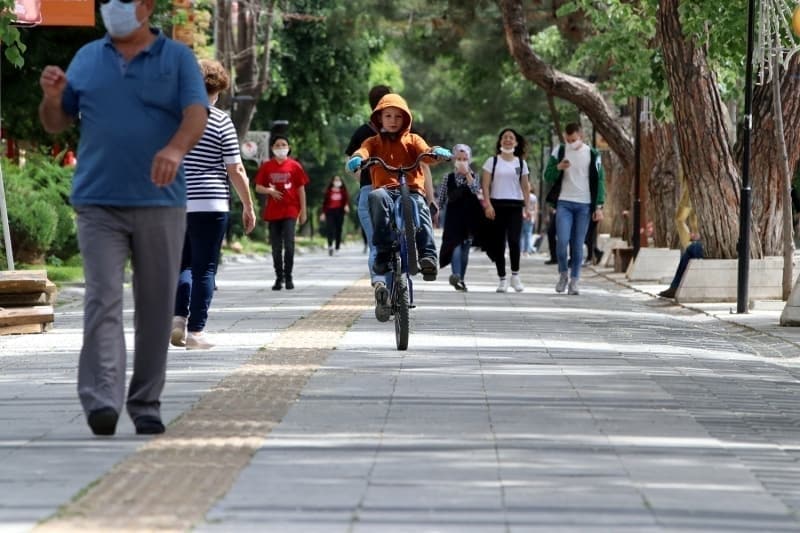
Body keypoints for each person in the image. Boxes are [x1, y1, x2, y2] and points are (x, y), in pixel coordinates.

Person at [38, 0, 208, 436]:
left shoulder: (177, 58)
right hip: (98, 201)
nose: (112, 7)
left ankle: (146, 403)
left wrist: (175, 150)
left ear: (146, 6)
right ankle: (101, 400)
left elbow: (196, 114)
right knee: (102, 298)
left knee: (156, 306)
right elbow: (56, 123)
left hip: (160, 202)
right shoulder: (87, 57)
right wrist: (52, 98)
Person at [170, 59, 257, 351]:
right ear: (216, 89)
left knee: (182, 263)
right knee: (205, 268)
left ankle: (178, 319)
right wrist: (248, 205)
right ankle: (196, 333)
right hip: (210, 203)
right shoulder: (220, 120)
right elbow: (236, 169)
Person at [346, 93, 450, 308]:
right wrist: (357, 158)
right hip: (385, 190)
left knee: (420, 207)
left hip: (411, 190)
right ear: (379, 119)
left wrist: (436, 153)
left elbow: (426, 153)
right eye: (388, 116)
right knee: (375, 197)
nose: (393, 121)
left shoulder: (413, 140)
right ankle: (383, 254)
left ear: (406, 119)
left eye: (398, 116)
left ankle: (428, 256)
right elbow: (363, 151)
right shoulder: (373, 142)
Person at [544, 122, 606, 295]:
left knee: (577, 244)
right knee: (562, 241)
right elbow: (547, 175)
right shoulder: (559, 151)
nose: (571, 143)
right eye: (568, 140)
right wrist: (558, 167)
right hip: (564, 202)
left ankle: (575, 281)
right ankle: (563, 274)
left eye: (573, 140)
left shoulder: (593, 154)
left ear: (581, 136)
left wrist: (599, 206)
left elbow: (600, 180)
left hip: (584, 205)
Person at [254, 136, 309, 290]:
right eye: (277, 145)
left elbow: (301, 190)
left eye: (283, 144)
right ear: (272, 148)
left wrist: (303, 212)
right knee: (276, 247)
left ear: (289, 147)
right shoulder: (267, 166)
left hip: (291, 209)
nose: (280, 147)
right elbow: (258, 187)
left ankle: (289, 276)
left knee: (289, 245)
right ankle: (279, 277)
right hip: (273, 211)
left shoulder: (295, 166)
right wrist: (269, 191)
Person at [481, 128, 532, 293]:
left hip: (515, 206)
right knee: (499, 244)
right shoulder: (492, 161)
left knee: (515, 241)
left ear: (516, 142)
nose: (508, 140)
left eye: (511, 137)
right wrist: (488, 205)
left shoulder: (521, 163)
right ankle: (502, 278)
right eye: (505, 137)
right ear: (500, 141)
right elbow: (485, 185)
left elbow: (525, 186)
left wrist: (528, 207)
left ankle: (515, 276)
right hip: (497, 206)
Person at [438, 143, 483, 291]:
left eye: (465, 159)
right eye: (459, 159)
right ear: (454, 160)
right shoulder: (448, 177)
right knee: (455, 246)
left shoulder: (474, 176)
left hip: (469, 218)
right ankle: (456, 275)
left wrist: (467, 174)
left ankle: (461, 279)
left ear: (469, 160)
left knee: (465, 250)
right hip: (453, 218)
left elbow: (475, 190)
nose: (462, 161)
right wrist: (436, 212)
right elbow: (441, 199)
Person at [320, 175, 350, 256]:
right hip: (330, 212)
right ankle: (330, 246)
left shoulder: (343, 191)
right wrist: (323, 213)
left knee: (338, 230)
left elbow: (346, 201)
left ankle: (337, 247)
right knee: (330, 229)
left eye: (338, 180)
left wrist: (346, 206)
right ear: (332, 181)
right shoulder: (328, 191)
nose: (337, 182)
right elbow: (324, 203)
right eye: (336, 180)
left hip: (340, 212)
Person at [521, 188, 538, 255]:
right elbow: (535, 208)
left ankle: (521, 250)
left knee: (522, 234)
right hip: (530, 216)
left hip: (523, 216)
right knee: (528, 234)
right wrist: (534, 216)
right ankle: (526, 251)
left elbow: (522, 207)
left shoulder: (522, 195)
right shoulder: (534, 197)